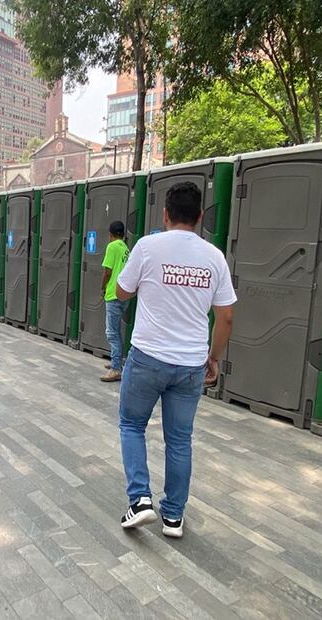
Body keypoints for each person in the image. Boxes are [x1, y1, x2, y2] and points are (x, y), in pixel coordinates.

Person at [114, 182, 236, 538]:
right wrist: (213, 358)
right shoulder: (214, 257)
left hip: (148, 358)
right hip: (191, 365)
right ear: (199, 217)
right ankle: (173, 517)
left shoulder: (148, 247)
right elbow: (226, 317)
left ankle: (140, 501)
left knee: (132, 425)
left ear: (165, 215)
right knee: (180, 439)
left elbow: (122, 290)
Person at [101, 221, 130, 382]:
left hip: (112, 293)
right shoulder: (126, 249)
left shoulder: (112, 247)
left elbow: (107, 271)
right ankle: (116, 360)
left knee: (112, 332)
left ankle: (116, 369)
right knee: (116, 331)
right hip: (123, 294)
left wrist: (102, 286)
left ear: (110, 234)